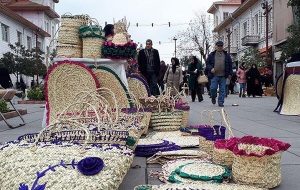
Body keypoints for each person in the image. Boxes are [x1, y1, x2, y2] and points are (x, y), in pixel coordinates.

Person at [206, 41, 233, 107]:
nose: (220, 47)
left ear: (223, 46)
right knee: (213, 88)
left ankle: (221, 102)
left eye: (221, 46)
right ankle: (213, 97)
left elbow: (230, 65)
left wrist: (230, 74)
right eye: (218, 46)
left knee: (222, 90)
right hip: (214, 75)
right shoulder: (211, 55)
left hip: (223, 75)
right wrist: (211, 68)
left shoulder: (227, 55)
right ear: (216, 46)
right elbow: (207, 64)